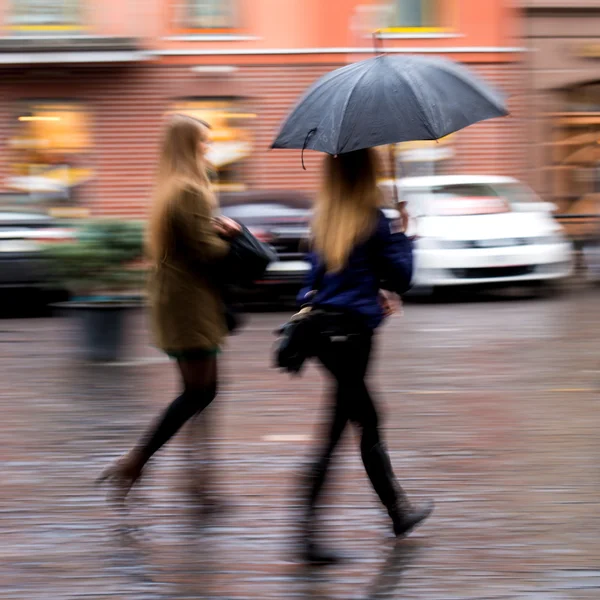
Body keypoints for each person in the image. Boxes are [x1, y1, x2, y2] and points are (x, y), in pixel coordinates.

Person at [298, 148, 433, 564]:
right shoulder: (372, 220)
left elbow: (310, 287)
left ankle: (398, 512)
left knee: (356, 421)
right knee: (349, 426)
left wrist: (360, 293)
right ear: (365, 171)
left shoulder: (324, 219)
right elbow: (401, 278)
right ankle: (307, 534)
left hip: (324, 337)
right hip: (352, 340)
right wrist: (404, 236)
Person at [98, 114, 240, 508]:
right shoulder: (191, 190)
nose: (208, 148)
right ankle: (137, 462)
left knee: (201, 391)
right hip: (190, 303)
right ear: (187, 145)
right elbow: (205, 252)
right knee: (201, 390)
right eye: (202, 142)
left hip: (177, 300)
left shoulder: (168, 188)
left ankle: (197, 482)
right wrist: (230, 236)